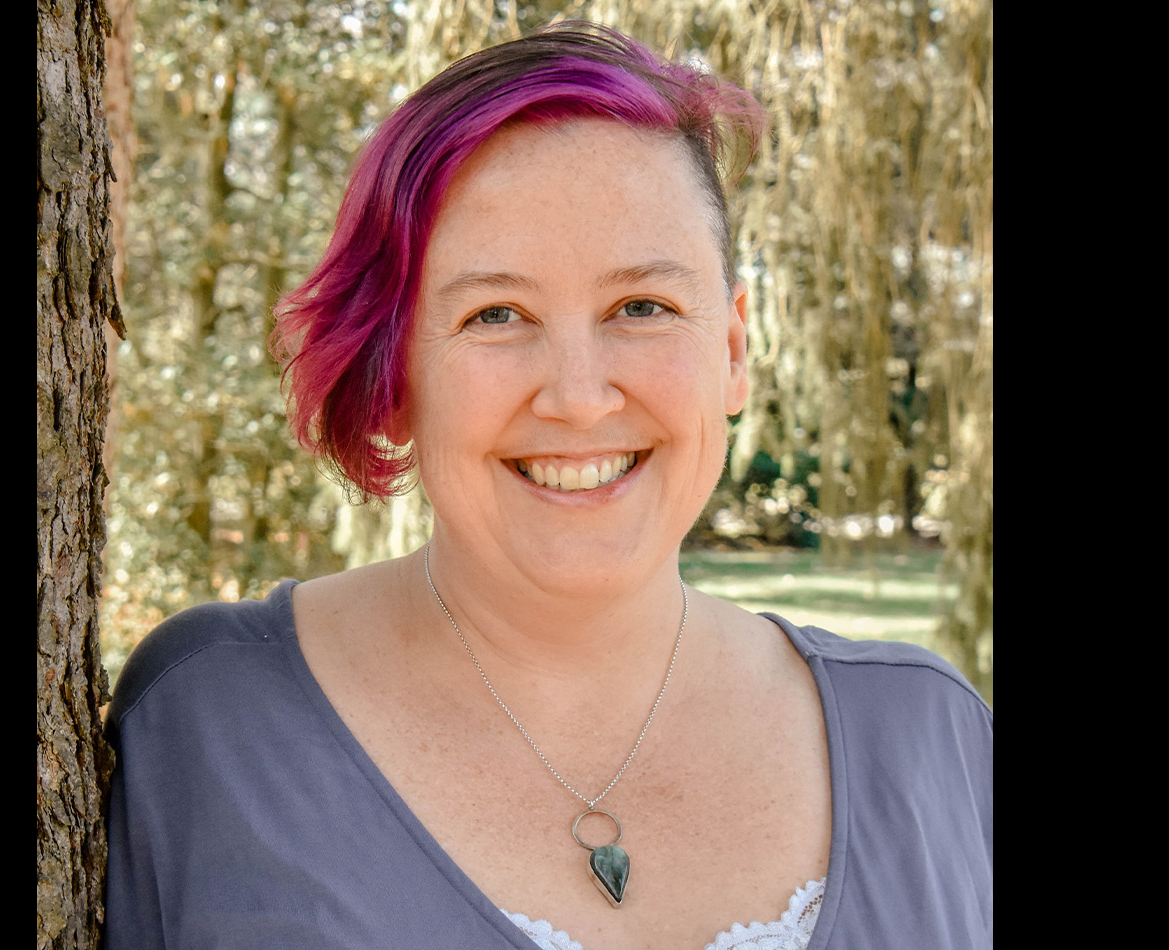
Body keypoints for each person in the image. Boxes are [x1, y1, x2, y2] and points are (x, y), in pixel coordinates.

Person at [104, 22, 992, 950]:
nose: (577, 397)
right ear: (394, 374)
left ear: (732, 348)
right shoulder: (215, 727)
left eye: (642, 307)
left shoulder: (933, 741)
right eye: (496, 314)